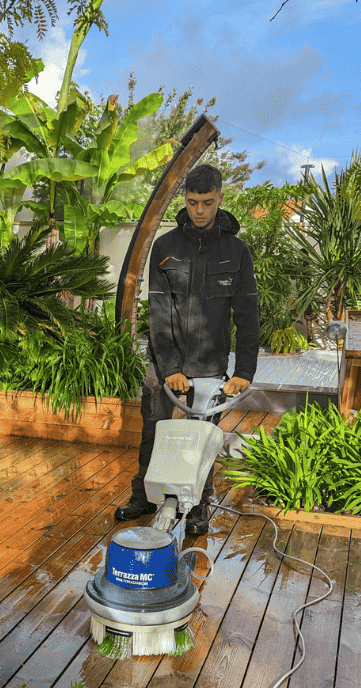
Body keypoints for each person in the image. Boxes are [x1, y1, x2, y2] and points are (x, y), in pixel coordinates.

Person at [114, 163, 259, 535]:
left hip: (211, 365)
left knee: (203, 437)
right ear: (185, 200)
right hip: (165, 363)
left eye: (207, 203)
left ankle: (197, 507)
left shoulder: (236, 252)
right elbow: (159, 314)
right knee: (154, 430)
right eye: (193, 202)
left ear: (220, 198)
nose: (199, 210)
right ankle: (144, 496)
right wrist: (170, 368)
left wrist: (244, 370)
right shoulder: (165, 248)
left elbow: (247, 314)